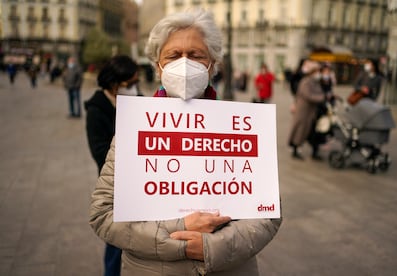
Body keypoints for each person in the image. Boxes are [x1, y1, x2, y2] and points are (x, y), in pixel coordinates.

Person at [89, 9, 282, 276]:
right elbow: (102, 215)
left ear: (212, 65)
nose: (184, 63)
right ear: (158, 66)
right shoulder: (134, 129)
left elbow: (268, 213)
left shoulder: (242, 126)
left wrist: (210, 246)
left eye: (195, 55)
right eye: (173, 55)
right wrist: (180, 233)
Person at [85, 55, 139, 276]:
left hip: (141, 183)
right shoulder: (97, 110)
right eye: (131, 83)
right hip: (116, 186)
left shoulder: (138, 101)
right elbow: (100, 153)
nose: (135, 88)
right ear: (115, 82)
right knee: (117, 242)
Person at [288, 61, 326, 160]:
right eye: (317, 71)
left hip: (311, 111)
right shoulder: (306, 81)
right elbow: (309, 95)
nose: (319, 73)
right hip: (303, 110)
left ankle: (310, 150)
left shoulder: (315, 82)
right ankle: (295, 149)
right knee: (299, 130)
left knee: (308, 131)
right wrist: (322, 97)